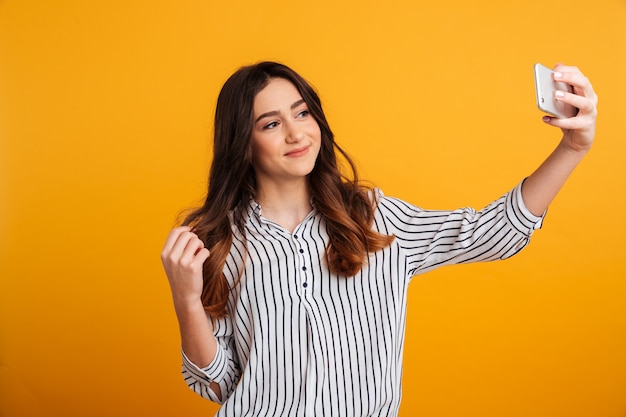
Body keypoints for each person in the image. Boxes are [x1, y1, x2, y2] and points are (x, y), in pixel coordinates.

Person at [161, 61, 597, 416]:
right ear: (243, 142)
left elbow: (491, 232)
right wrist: (186, 300)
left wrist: (571, 149)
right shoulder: (218, 243)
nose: (296, 133)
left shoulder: (372, 218)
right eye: (271, 124)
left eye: (302, 113)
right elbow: (216, 383)